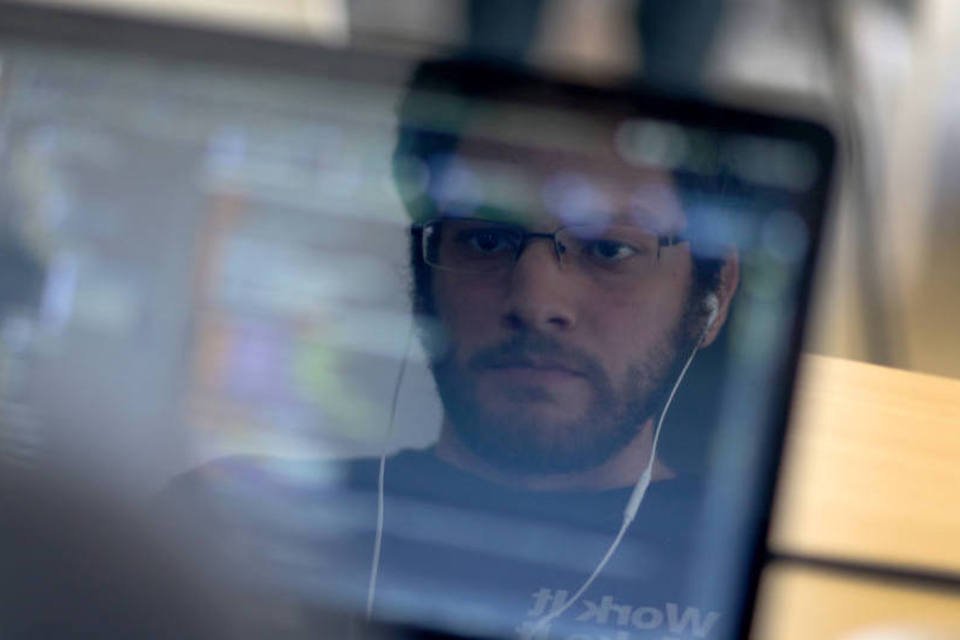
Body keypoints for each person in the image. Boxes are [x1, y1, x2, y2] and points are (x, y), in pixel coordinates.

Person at [164, 58, 741, 640]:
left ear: (713, 295)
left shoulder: (756, 574)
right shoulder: (228, 529)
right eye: (486, 239)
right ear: (423, 275)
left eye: (610, 251)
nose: (535, 301)